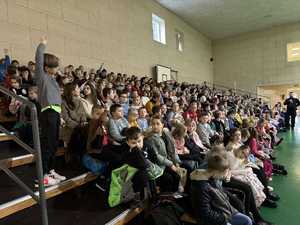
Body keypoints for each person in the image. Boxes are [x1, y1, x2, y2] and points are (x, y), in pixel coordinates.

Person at [190, 149, 253, 225]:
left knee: (247, 220)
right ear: (216, 171)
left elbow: (221, 199)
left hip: (225, 212)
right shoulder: (201, 187)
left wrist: (232, 211)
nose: (224, 175)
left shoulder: (212, 178)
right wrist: (224, 219)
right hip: (217, 219)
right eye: (224, 172)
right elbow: (205, 213)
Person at [35, 36, 65, 186]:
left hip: (56, 113)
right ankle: (43, 176)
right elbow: (39, 59)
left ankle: (51, 170)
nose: (57, 69)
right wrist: (42, 45)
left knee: (54, 144)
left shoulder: (52, 79)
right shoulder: (42, 77)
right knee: (47, 145)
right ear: (47, 68)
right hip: (48, 113)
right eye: (55, 66)